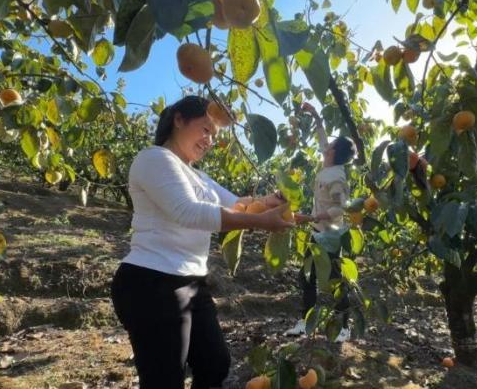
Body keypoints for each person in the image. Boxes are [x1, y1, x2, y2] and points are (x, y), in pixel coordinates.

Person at [110, 95, 294, 389]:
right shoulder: (153, 158)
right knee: (164, 379)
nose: (209, 140)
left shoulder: (199, 177)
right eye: (206, 129)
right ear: (179, 119)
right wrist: (260, 221)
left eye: (214, 135)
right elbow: (187, 212)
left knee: (215, 364)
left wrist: (269, 203)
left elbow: (236, 205)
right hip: (152, 282)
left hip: (191, 282)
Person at [284, 102, 356, 343]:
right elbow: (322, 138)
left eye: (331, 146)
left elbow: (341, 207)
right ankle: (305, 323)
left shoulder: (337, 176)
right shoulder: (329, 163)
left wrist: (314, 216)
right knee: (307, 276)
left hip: (331, 233)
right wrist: (315, 116)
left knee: (336, 280)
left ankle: (344, 327)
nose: (326, 146)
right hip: (317, 232)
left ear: (334, 152)